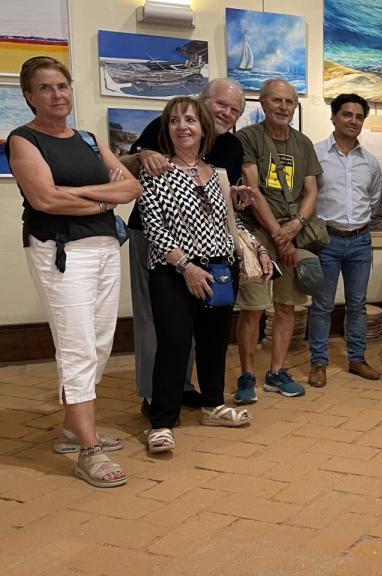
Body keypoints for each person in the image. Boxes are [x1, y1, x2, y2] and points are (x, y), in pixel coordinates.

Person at [7, 56, 141, 487]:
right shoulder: (23, 140)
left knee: (100, 341)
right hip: (61, 254)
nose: (56, 94)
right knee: (77, 344)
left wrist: (82, 193)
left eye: (62, 86)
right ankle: (88, 449)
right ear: (29, 96)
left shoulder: (87, 139)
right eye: (45, 88)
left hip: (103, 247)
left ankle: (70, 427)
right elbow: (45, 200)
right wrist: (104, 197)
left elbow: (131, 187)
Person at [138, 97, 271, 453]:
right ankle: (162, 421)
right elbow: (154, 228)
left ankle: (213, 405)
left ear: (203, 129)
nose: (183, 126)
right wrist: (186, 267)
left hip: (219, 269)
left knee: (214, 343)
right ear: (166, 130)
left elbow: (229, 224)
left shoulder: (218, 175)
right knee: (175, 344)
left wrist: (258, 248)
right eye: (175, 121)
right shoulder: (156, 171)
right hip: (173, 271)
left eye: (191, 120)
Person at [119, 77, 249, 419]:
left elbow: (221, 202)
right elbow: (126, 169)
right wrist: (143, 154)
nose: (226, 112)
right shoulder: (166, 127)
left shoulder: (232, 149)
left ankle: (190, 390)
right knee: (161, 325)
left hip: (209, 248)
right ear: (204, 102)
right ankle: (155, 397)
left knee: (206, 329)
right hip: (155, 239)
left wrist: (235, 201)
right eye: (221, 103)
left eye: (234, 109)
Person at [234, 78, 323, 402]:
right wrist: (277, 234)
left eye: (288, 101)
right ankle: (246, 375)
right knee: (253, 307)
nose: (283, 107)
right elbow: (253, 189)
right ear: (263, 103)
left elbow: (311, 190)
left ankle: (277, 371)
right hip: (259, 234)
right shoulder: (248, 138)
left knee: (287, 306)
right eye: (276, 101)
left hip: (294, 233)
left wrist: (295, 226)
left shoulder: (303, 144)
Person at [307, 93, 382, 387]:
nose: (353, 121)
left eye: (359, 116)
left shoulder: (370, 162)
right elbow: (307, 195)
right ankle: (318, 363)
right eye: (347, 115)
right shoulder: (316, 154)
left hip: (361, 242)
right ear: (334, 117)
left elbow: (374, 199)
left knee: (357, 304)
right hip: (327, 241)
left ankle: (356, 359)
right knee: (323, 305)